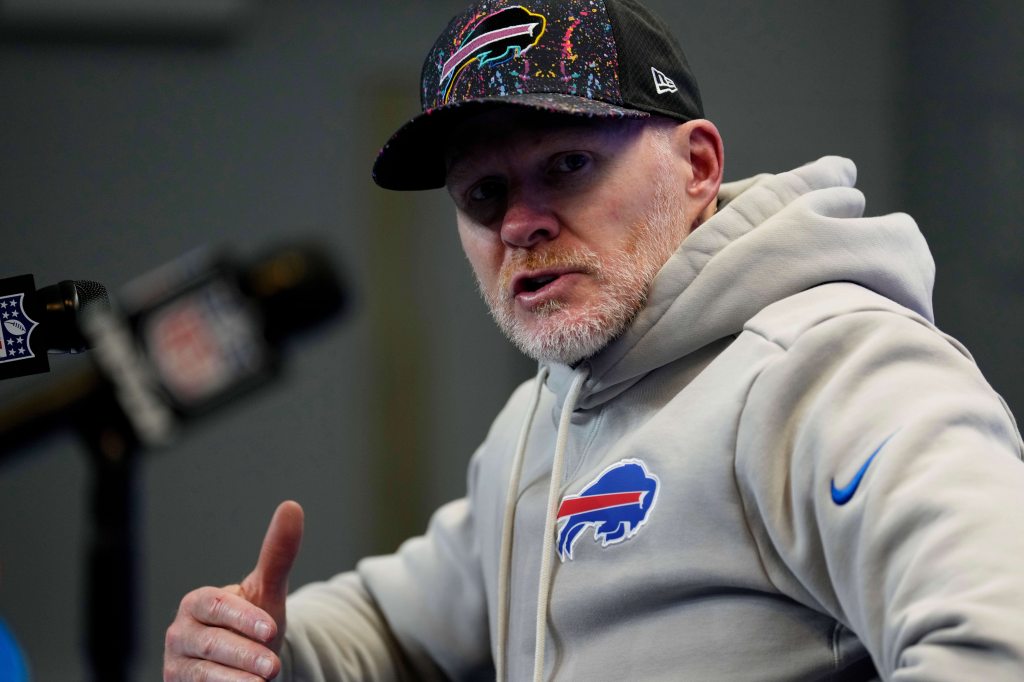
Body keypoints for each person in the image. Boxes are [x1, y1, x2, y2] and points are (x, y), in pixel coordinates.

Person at [164, 0, 1024, 680]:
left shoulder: (835, 370)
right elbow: (398, 625)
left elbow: (999, 637)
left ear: (697, 167)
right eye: (483, 194)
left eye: (568, 165)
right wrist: (257, 646)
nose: (521, 223)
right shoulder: (544, 419)